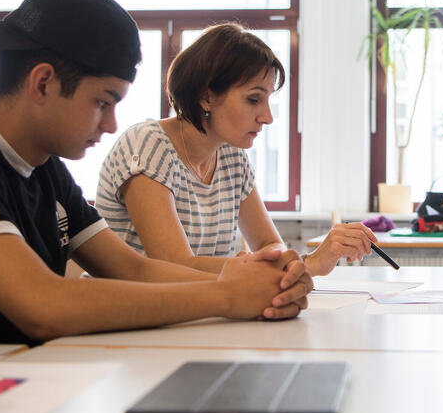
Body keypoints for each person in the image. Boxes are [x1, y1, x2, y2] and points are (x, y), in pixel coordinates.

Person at [0, 0, 313, 346]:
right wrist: (224, 296)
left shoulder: (45, 170)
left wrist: (253, 279)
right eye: (103, 102)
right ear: (42, 82)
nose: (111, 123)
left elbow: (133, 268)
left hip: (24, 384)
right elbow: (44, 306)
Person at [97, 23, 375, 277]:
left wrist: (297, 263)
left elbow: (268, 244)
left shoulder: (231, 156)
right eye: (254, 99)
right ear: (206, 96)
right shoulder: (148, 145)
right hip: (138, 319)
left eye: (267, 101)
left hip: (198, 316)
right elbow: (173, 266)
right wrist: (306, 263)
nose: (267, 117)